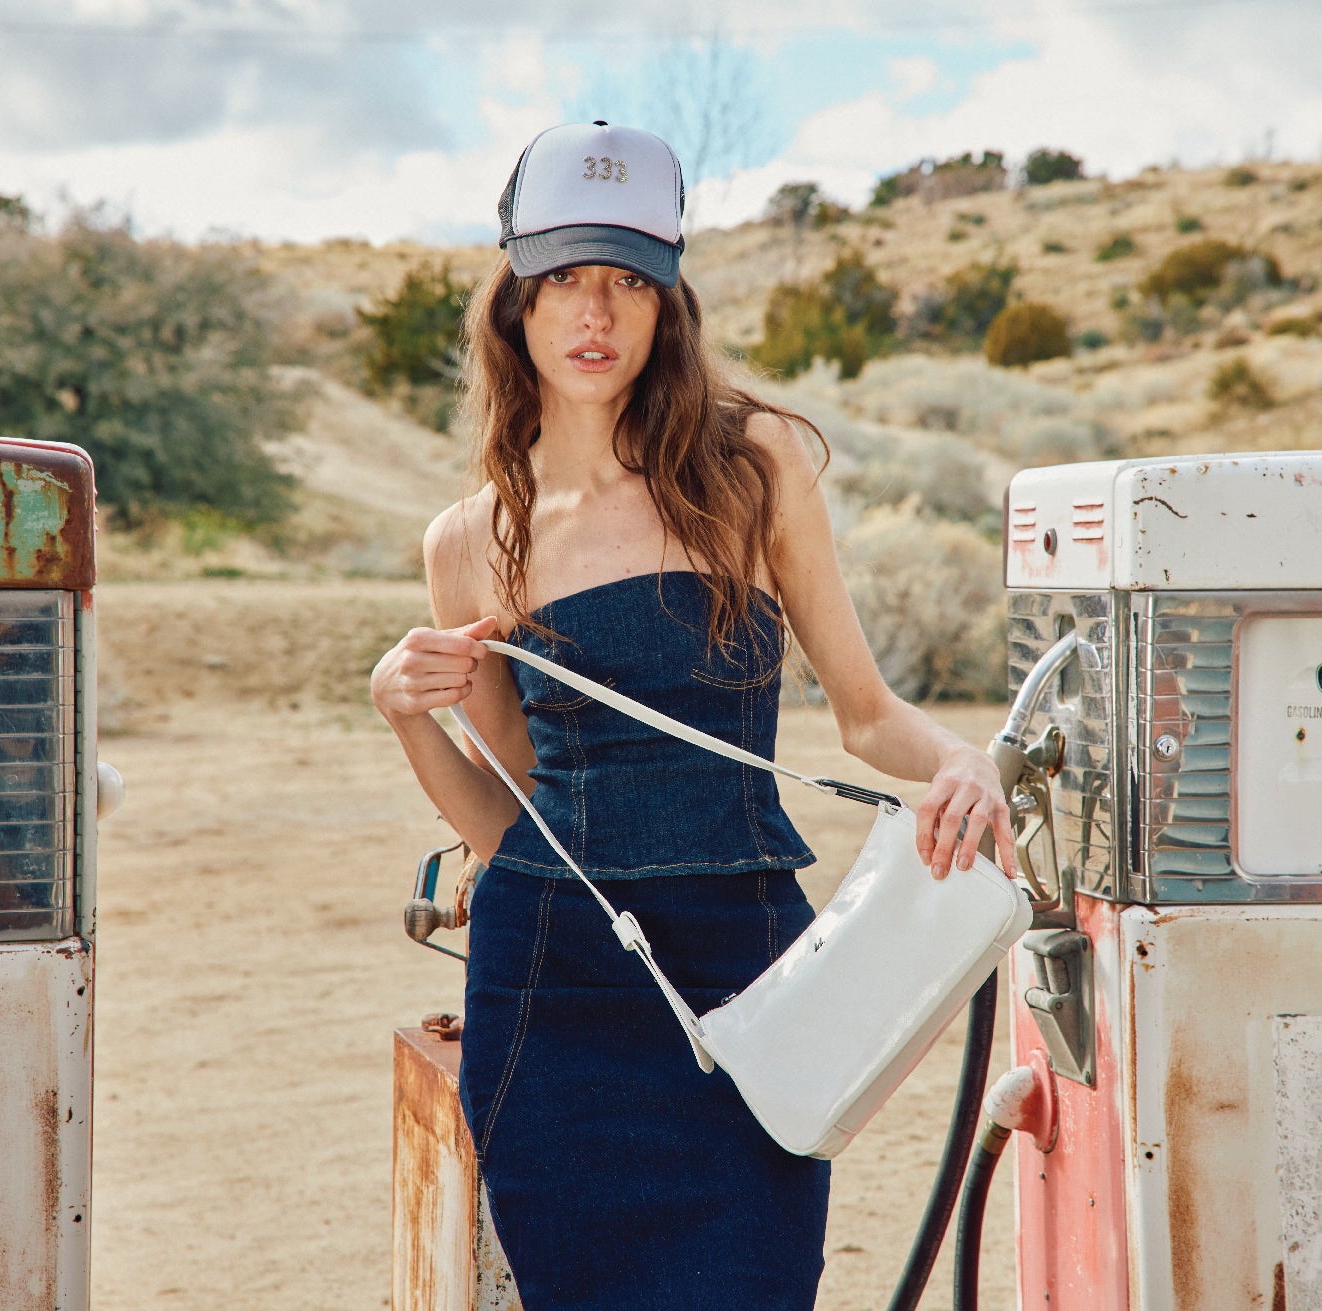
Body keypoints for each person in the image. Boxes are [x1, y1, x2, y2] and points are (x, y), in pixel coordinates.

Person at [370, 121, 1019, 1310]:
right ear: (514, 301)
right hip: (552, 991)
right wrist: (407, 716)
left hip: (743, 971)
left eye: (628, 280)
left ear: (670, 303)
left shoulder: (750, 466)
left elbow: (867, 719)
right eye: (564, 277)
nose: (596, 314)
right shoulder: (469, 541)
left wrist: (967, 763)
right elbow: (513, 830)